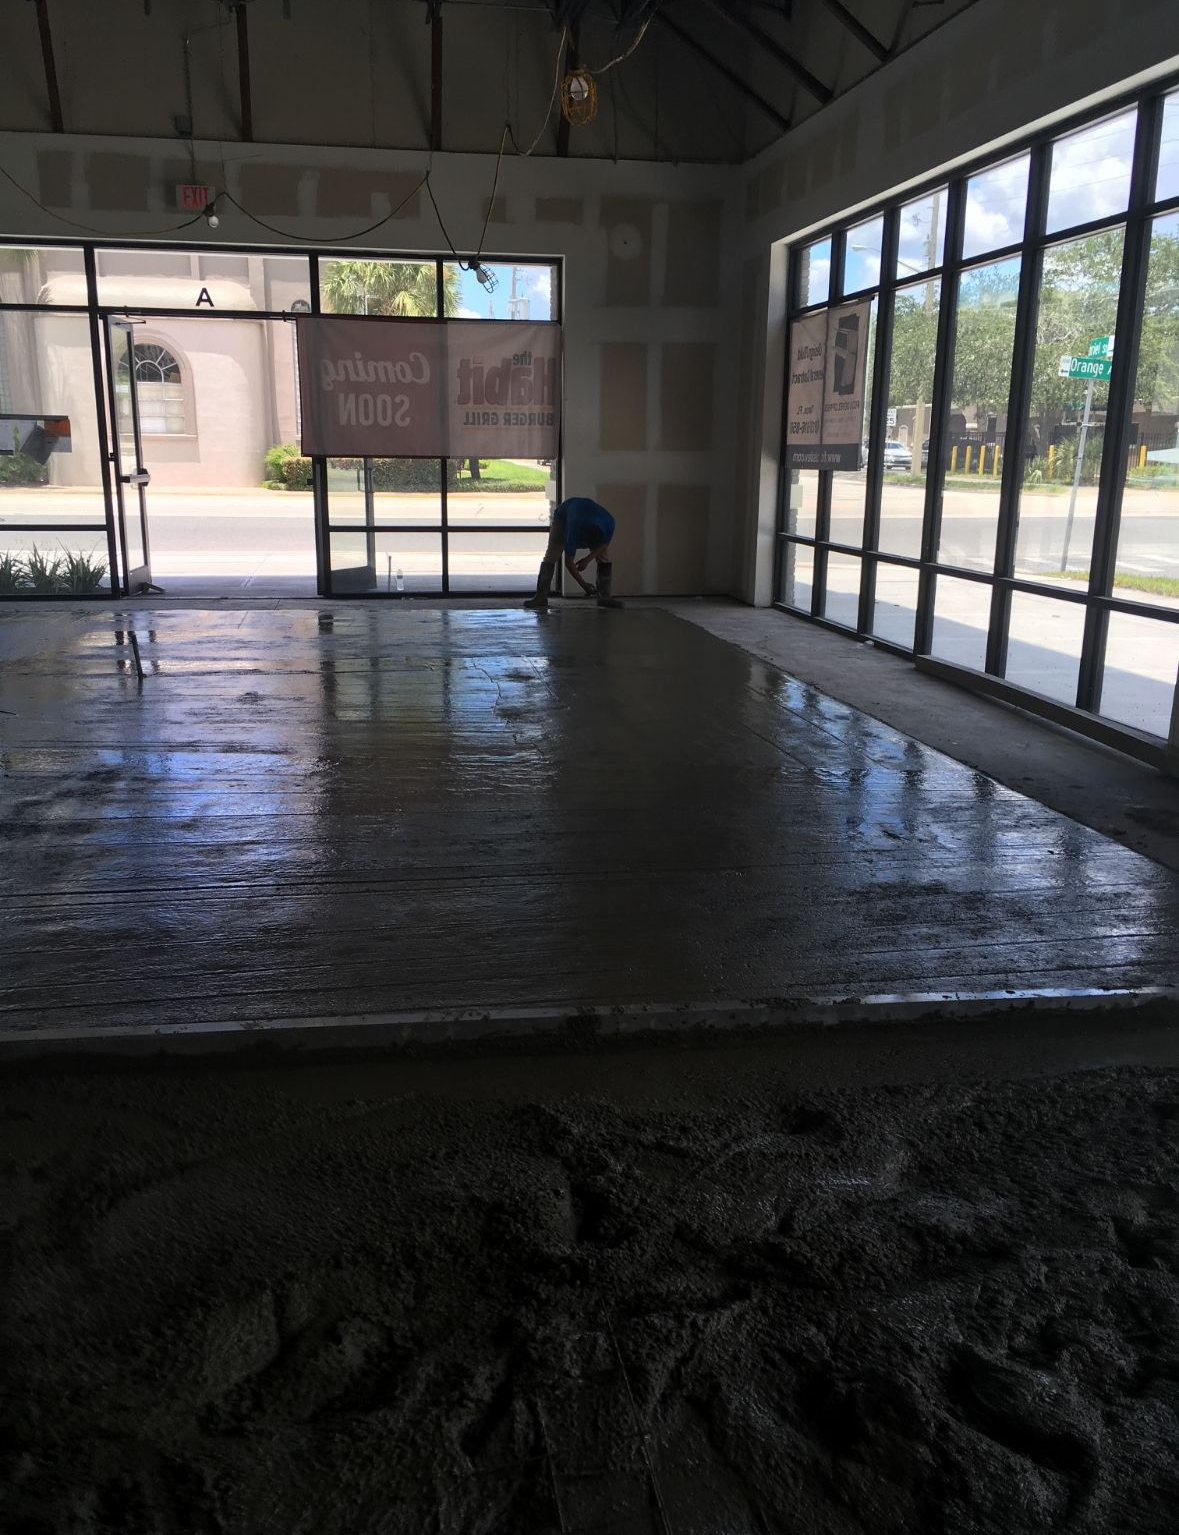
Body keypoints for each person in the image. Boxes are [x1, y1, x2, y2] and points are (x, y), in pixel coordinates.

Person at [524, 496, 619, 610]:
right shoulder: (573, 530)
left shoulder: (609, 523)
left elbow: (604, 545)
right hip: (563, 516)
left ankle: (604, 598)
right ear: (582, 538)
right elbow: (568, 562)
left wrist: (588, 559)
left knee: (604, 557)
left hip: (584, 511)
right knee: (552, 553)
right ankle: (540, 598)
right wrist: (583, 584)